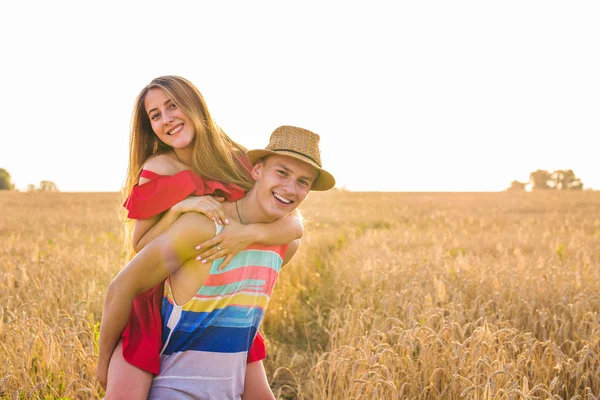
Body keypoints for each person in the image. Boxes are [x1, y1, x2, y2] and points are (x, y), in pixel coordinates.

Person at [96, 76, 305, 398]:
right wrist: (179, 208)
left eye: (173, 106)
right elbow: (140, 246)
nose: (166, 119)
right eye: (155, 115)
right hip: (159, 301)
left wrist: (251, 233)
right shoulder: (159, 167)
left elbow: (293, 222)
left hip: (224, 298)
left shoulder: (237, 159)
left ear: (195, 106)